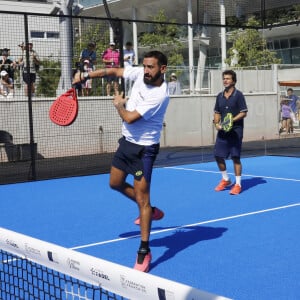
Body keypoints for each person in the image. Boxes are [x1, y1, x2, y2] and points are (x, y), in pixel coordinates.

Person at [73, 50, 169, 272]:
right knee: (114, 183)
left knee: (142, 199)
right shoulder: (139, 74)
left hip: (144, 150)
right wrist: (86, 76)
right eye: (145, 66)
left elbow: (130, 118)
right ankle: (151, 210)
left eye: (151, 67)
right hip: (126, 143)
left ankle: (144, 250)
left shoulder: (160, 95)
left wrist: (119, 104)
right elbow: (114, 70)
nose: (146, 70)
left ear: (162, 69)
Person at [213, 70, 248, 195]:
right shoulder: (219, 96)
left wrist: (230, 121)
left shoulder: (238, 95)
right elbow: (217, 112)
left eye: (228, 78)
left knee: (235, 157)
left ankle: (238, 184)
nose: (225, 81)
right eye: (224, 78)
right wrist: (217, 123)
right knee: (218, 155)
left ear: (233, 81)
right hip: (223, 132)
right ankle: (226, 179)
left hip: (236, 132)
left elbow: (244, 112)